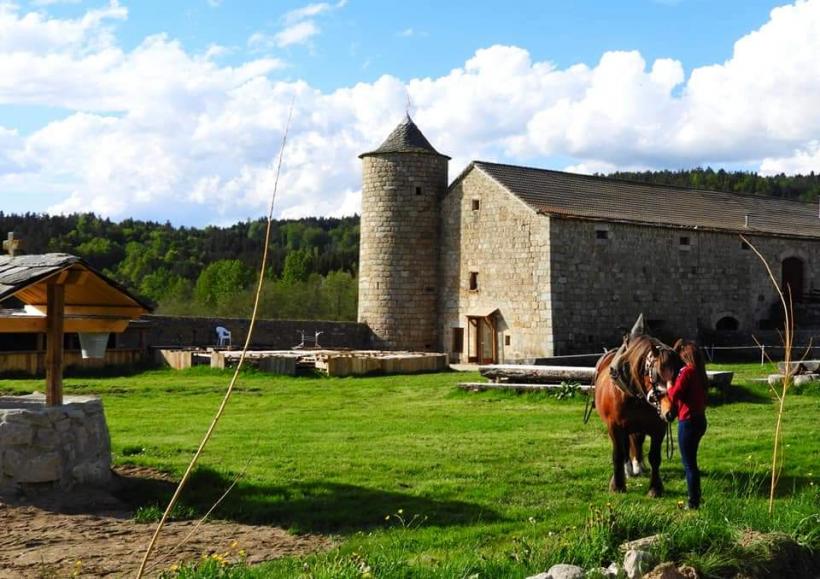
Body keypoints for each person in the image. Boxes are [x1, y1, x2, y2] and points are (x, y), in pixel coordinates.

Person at [667, 343, 708, 509]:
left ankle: (693, 502)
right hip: (700, 419)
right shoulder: (700, 373)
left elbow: (674, 394)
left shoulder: (687, 372)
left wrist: (669, 382)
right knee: (692, 462)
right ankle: (696, 496)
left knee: (689, 464)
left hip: (688, 421)